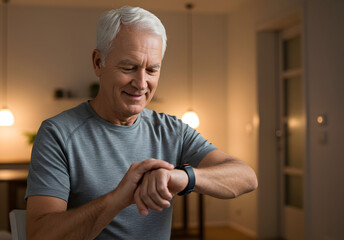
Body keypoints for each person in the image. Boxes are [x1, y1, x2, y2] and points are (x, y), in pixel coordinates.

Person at [25, 6, 257, 240]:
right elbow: (40, 235)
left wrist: (181, 177)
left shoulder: (171, 130)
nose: (141, 83)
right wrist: (118, 198)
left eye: (152, 70)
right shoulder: (58, 133)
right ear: (98, 63)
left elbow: (246, 177)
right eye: (129, 68)